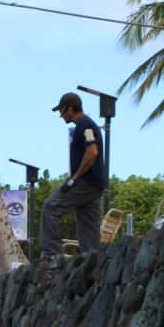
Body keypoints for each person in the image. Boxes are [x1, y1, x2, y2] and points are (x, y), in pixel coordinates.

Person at [39, 91, 106, 266]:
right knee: (87, 225)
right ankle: (92, 264)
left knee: (51, 206)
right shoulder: (86, 125)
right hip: (96, 185)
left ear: (69, 109)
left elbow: (92, 152)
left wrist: (74, 178)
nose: (60, 116)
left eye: (61, 111)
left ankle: (51, 254)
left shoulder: (85, 124)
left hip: (86, 182)